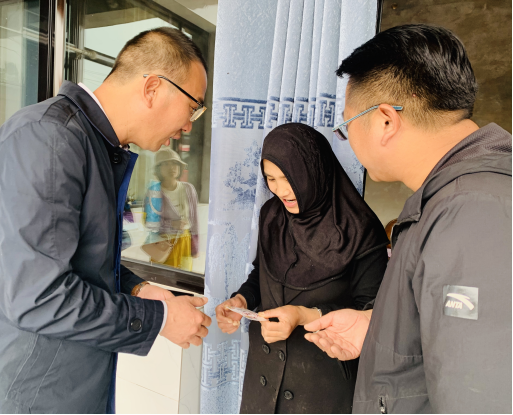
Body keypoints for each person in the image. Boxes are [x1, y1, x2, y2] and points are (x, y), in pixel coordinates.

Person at [0, 27, 212, 414]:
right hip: (26, 395)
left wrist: (138, 288)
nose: (189, 125)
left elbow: (75, 258)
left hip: (60, 387)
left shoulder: (93, 146)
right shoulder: (49, 140)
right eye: (193, 106)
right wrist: (159, 319)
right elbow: (37, 296)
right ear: (152, 89)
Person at [305, 24, 512, 414]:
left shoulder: (474, 213)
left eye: (347, 126)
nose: (349, 140)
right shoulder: (454, 202)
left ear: (385, 120)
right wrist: (381, 330)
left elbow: (483, 395)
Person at [216, 123, 389, 414]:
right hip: (263, 380)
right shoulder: (272, 215)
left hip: (321, 385)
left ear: (314, 170)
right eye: (271, 179)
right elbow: (261, 273)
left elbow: (373, 312)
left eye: (289, 177)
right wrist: (241, 300)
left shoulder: (360, 229)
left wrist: (304, 315)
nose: (281, 190)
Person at [143, 147, 199, 271]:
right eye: (165, 164)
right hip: (162, 243)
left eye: (175, 163)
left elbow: (194, 220)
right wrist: (172, 224)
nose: (171, 167)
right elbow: (149, 223)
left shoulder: (188, 189)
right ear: (158, 169)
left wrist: (195, 247)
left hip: (184, 242)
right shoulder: (154, 191)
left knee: (183, 278)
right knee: (161, 278)